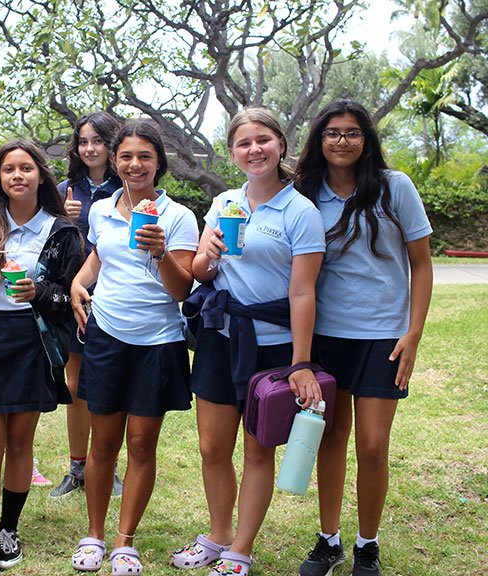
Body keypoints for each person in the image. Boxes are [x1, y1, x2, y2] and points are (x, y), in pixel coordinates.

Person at [171, 108, 325, 576]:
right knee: (212, 447)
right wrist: (209, 255)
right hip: (221, 338)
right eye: (243, 143)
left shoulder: (302, 211)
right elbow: (199, 272)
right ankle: (217, 536)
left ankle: (240, 548)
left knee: (258, 449)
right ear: (232, 151)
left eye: (263, 140)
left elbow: (302, 292)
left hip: (275, 347)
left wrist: (301, 362)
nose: (254, 150)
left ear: (280, 143)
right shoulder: (222, 203)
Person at [292, 100, 433, 576]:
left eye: (353, 133)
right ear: (320, 140)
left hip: (383, 338)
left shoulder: (395, 188)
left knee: (372, 446)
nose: (343, 141)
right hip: (326, 338)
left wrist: (413, 334)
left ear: (367, 140)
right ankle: (328, 539)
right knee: (329, 438)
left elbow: (422, 263)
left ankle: (366, 545)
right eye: (333, 132)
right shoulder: (305, 193)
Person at [70, 120, 199, 574]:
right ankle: (95, 535)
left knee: (142, 444)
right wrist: (77, 283)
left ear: (159, 162)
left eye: (144, 156)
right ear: (115, 159)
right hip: (106, 335)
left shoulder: (178, 216)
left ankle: (125, 541)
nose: (134, 164)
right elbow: (99, 255)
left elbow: (183, 291)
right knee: (102, 444)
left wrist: (161, 252)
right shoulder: (102, 209)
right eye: (125, 155)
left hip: (157, 342)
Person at [0, 141, 83, 576]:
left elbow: (71, 298)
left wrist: (37, 292)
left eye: (26, 168)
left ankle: (9, 530)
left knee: (20, 443)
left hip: (33, 344)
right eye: (9, 169)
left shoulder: (61, 231)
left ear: (40, 176)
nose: (17, 176)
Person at [52, 111, 125, 499]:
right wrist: (62, 219)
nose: (90, 148)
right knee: (76, 384)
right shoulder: (66, 189)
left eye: (98, 140)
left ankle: (107, 464)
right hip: (73, 299)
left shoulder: (125, 189)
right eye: (83, 141)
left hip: (113, 299)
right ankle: (77, 466)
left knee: (105, 385)